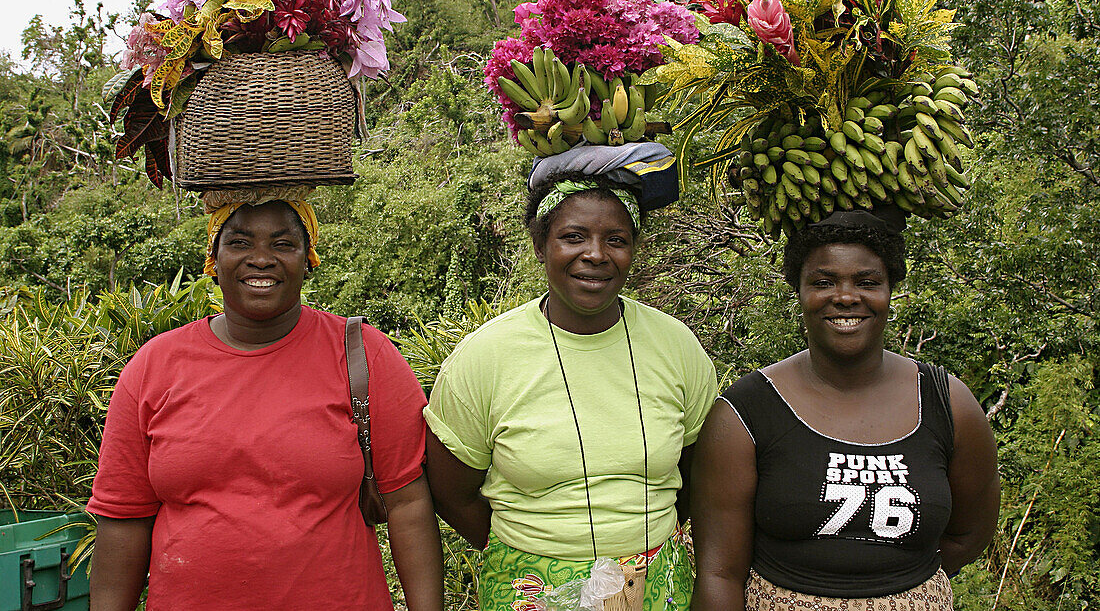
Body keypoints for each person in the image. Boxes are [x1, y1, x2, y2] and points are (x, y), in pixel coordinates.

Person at [87, 197, 444, 611]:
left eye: (283, 244)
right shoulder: (156, 366)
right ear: (213, 259)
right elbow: (123, 519)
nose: (261, 259)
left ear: (307, 259)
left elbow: (408, 503)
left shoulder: (363, 355)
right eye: (239, 243)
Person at [424, 172, 719, 611]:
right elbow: (452, 492)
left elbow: (699, 474)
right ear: (542, 246)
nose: (595, 255)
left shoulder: (675, 346)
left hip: (657, 586)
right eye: (573, 237)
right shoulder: (485, 357)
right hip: (530, 588)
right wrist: (542, 555)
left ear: (633, 250)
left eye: (616, 239)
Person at [690, 209, 1000, 610]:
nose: (846, 297)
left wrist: (897, 589)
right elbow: (719, 574)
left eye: (867, 282)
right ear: (798, 290)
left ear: (891, 289)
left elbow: (970, 533)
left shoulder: (947, 402)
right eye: (823, 282)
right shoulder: (745, 412)